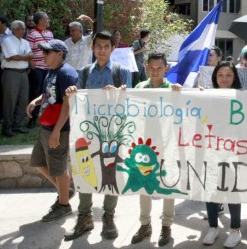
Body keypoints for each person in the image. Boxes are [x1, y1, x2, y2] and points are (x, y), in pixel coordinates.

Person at [64, 31, 132, 241]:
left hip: (113, 133)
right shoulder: (84, 73)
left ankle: (108, 218)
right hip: (87, 131)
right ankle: (84, 217)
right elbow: (75, 104)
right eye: (98, 46)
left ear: (113, 49)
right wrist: (71, 93)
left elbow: (132, 104)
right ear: (92, 49)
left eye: (106, 46)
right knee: (85, 171)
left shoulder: (123, 72)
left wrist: (120, 94)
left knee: (111, 175)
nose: (102, 50)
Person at [131, 53, 182, 247]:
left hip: (168, 144)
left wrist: (179, 95)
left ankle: (166, 226)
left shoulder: (173, 89)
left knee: (168, 185)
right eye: (151, 68)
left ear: (166, 69)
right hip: (144, 145)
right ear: (146, 67)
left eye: (159, 68)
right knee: (143, 185)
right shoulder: (139, 88)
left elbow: (185, 111)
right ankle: (145, 225)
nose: (155, 71)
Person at [26, 40, 78, 221]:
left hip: (59, 129)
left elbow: (67, 104)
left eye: (48, 51)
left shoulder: (67, 73)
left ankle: (64, 204)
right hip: (46, 126)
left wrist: (56, 132)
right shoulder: (52, 72)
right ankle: (66, 190)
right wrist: (36, 101)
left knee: (58, 167)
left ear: (59, 54)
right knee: (38, 162)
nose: (44, 54)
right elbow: (49, 94)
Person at [202, 61, 242, 248]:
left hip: (234, 151)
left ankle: (235, 229)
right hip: (211, 150)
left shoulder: (241, 97)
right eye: (220, 75)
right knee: (210, 189)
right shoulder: (207, 97)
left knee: (232, 191)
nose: (224, 79)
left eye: (228, 75)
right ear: (215, 77)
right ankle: (212, 228)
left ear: (234, 77)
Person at [1, 20, 33, 136]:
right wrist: (24, 56)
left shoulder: (24, 42)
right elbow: (13, 57)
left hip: (23, 72)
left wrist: (20, 56)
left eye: (24, 29)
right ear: (15, 29)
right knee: (10, 101)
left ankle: (18, 125)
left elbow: (31, 55)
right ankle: (7, 127)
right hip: (11, 73)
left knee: (23, 100)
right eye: (22, 29)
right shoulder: (7, 41)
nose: (24, 31)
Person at [26, 11, 54, 128]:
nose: (48, 21)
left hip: (48, 68)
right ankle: (32, 118)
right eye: (47, 19)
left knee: (48, 92)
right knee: (36, 92)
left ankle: (45, 117)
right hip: (37, 68)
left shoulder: (50, 34)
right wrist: (31, 62)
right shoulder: (32, 34)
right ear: (41, 21)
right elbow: (28, 50)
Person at [0, 15, 11, 123]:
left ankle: (3, 114)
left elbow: (9, 50)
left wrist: (1, 47)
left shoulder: (11, 35)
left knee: (3, 91)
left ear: (4, 24)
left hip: (5, 65)